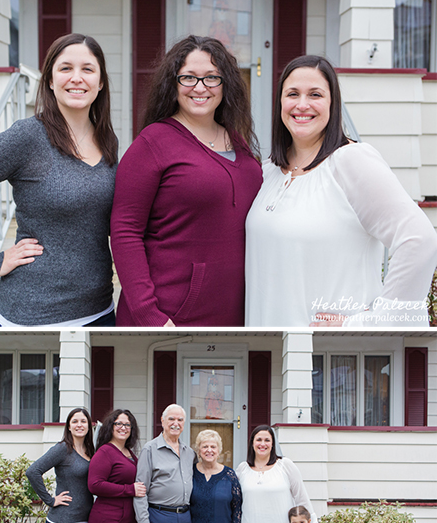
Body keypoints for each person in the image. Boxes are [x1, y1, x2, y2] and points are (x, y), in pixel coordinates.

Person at [245, 55, 437, 327]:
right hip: (269, 354)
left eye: (315, 94)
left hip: (331, 358)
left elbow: (419, 239)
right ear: (279, 103)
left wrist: (375, 323)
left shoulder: (351, 161)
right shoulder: (266, 173)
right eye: (292, 94)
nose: (302, 104)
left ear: (333, 104)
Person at [0, 33, 119, 326]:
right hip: (31, 316)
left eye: (87, 69)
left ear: (100, 83)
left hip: (99, 310)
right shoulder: (27, 137)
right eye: (65, 68)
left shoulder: (107, 140)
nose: (77, 78)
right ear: (50, 80)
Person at [110, 35, 262, 327]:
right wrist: (148, 314)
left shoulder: (238, 141)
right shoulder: (153, 142)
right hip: (170, 317)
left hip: (233, 315)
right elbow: (125, 230)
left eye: (211, 78)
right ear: (173, 83)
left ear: (225, 83)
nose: (200, 88)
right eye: (189, 78)